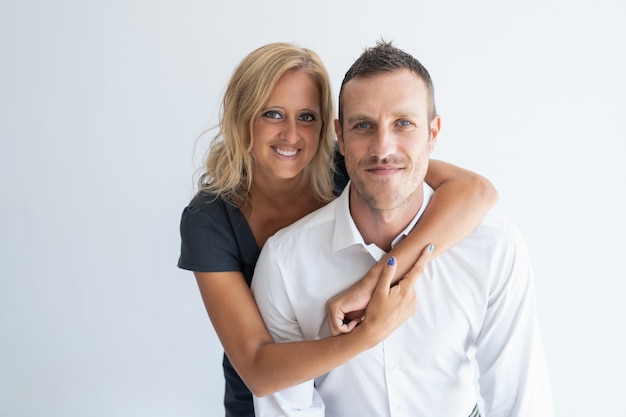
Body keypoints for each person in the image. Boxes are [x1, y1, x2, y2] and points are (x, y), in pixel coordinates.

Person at [178, 42, 498, 417]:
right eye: (273, 114)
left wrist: (380, 276)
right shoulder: (209, 219)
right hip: (266, 399)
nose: (292, 135)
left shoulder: (350, 162)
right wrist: (366, 336)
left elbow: (476, 192)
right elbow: (259, 370)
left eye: (307, 117)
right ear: (242, 117)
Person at [251, 41, 553, 417]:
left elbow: (520, 401)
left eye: (403, 124)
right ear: (340, 138)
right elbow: (287, 409)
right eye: (364, 126)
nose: (383, 147)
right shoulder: (284, 262)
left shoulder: (492, 244)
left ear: (433, 132)